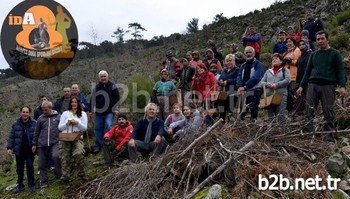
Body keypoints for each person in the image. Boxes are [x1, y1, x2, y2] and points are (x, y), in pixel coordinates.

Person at [296, 31, 347, 142]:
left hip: (328, 85)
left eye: (322, 38)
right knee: (308, 109)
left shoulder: (335, 53)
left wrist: (342, 86)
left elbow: (340, 70)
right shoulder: (314, 54)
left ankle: (328, 137)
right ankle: (308, 133)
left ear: (327, 39)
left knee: (328, 111)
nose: (320, 41)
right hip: (312, 85)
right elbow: (308, 71)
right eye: (318, 39)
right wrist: (301, 85)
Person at [58, 97, 88, 188]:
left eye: (75, 102)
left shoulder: (82, 114)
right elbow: (60, 127)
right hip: (65, 137)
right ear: (70, 103)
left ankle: (82, 174)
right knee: (65, 158)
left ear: (78, 103)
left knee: (78, 153)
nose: (73, 104)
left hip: (77, 137)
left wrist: (77, 123)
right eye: (72, 102)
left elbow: (84, 128)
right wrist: (67, 124)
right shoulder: (65, 113)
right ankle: (66, 179)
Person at [32, 101, 62, 188]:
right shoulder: (40, 118)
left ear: (50, 108)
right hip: (42, 143)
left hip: (55, 142)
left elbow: (62, 129)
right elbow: (36, 132)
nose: (44, 111)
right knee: (41, 163)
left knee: (56, 157)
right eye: (43, 110)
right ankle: (44, 181)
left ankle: (60, 176)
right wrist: (34, 144)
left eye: (46, 110)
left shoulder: (58, 117)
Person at [7, 107, 37, 193]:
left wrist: (36, 145)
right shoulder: (15, 123)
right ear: (20, 113)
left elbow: (36, 136)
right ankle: (20, 185)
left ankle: (31, 184)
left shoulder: (34, 123)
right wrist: (9, 147)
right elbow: (12, 136)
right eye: (23, 112)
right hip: (19, 150)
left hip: (29, 150)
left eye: (27, 112)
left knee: (30, 166)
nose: (25, 114)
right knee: (19, 168)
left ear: (29, 113)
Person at [90, 70, 120, 153]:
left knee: (109, 126)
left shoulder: (112, 86)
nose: (103, 78)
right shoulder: (96, 87)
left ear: (107, 77)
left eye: (104, 76)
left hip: (110, 111)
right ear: (99, 78)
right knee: (97, 128)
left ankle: (111, 144)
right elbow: (92, 99)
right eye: (101, 77)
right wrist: (90, 110)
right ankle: (99, 145)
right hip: (99, 112)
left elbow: (117, 98)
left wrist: (116, 109)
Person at [236, 46, 265, 121]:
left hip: (255, 90)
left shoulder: (259, 65)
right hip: (244, 91)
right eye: (246, 52)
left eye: (250, 52)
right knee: (242, 111)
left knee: (253, 110)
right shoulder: (243, 65)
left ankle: (253, 126)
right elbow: (239, 76)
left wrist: (245, 86)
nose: (248, 54)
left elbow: (256, 77)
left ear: (254, 53)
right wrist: (239, 86)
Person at [260, 53, 291, 122]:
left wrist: (276, 85)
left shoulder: (285, 70)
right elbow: (261, 82)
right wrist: (268, 84)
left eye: (276, 59)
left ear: (281, 61)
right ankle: (271, 131)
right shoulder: (268, 71)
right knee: (270, 116)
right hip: (269, 97)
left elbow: (288, 80)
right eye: (273, 59)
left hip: (281, 95)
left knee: (280, 115)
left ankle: (282, 130)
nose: (274, 60)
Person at [291, 39, 313, 116]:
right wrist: (299, 83)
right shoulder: (300, 58)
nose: (301, 46)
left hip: (310, 81)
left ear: (307, 44)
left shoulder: (311, 54)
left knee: (309, 99)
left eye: (303, 44)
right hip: (301, 82)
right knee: (300, 99)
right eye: (300, 45)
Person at [217, 54, 240, 122]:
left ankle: (230, 124)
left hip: (233, 92)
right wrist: (220, 81)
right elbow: (220, 79)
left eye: (230, 61)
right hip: (224, 92)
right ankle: (222, 122)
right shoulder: (224, 70)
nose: (229, 62)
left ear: (234, 61)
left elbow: (238, 80)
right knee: (221, 107)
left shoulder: (237, 70)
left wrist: (228, 82)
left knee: (230, 108)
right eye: (227, 61)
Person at [283, 36, 301, 113]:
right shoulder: (286, 52)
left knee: (293, 95)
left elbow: (299, 62)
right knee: (287, 96)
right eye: (287, 42)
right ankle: (290, 112)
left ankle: (296, 111)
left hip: (294, 76)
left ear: (294, 42)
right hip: (286, 77)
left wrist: (290, 61)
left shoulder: (297, 50)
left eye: (290, 41)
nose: (288, 43)